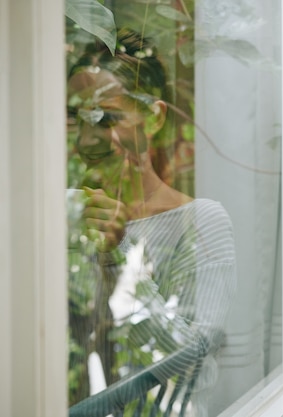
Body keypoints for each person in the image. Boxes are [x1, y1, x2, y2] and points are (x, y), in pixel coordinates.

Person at [66, 28, 236, 415]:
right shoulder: (62, 221)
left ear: (154, 117)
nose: (88, 140)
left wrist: (119, 254)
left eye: (105, 117)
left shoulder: (201, 221)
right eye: (77, 118)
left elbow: (190, 359)